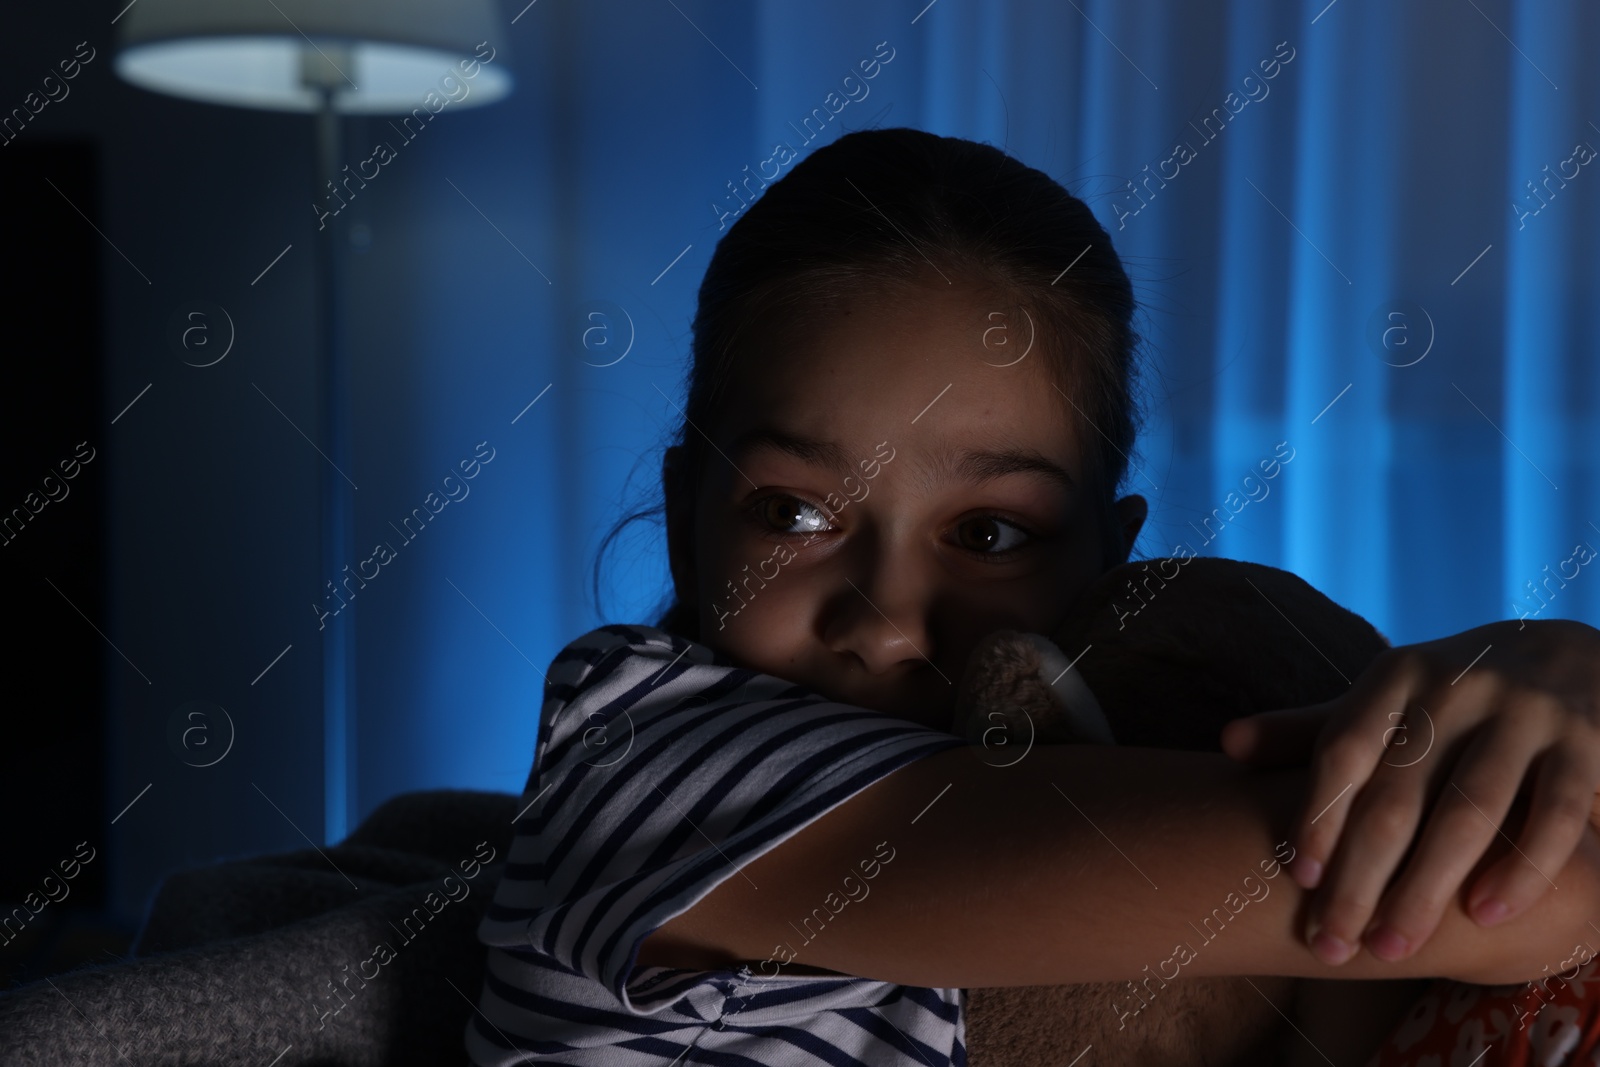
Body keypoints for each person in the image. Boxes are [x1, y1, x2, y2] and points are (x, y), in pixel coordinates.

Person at [466, 127, 1600, 1066]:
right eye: (795, 514)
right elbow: (1507, 900)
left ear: (1111, 559)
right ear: (684, 516)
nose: (888, 617)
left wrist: (1550, 661)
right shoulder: (637, 757)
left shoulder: (1104, 754)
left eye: (989, 532)